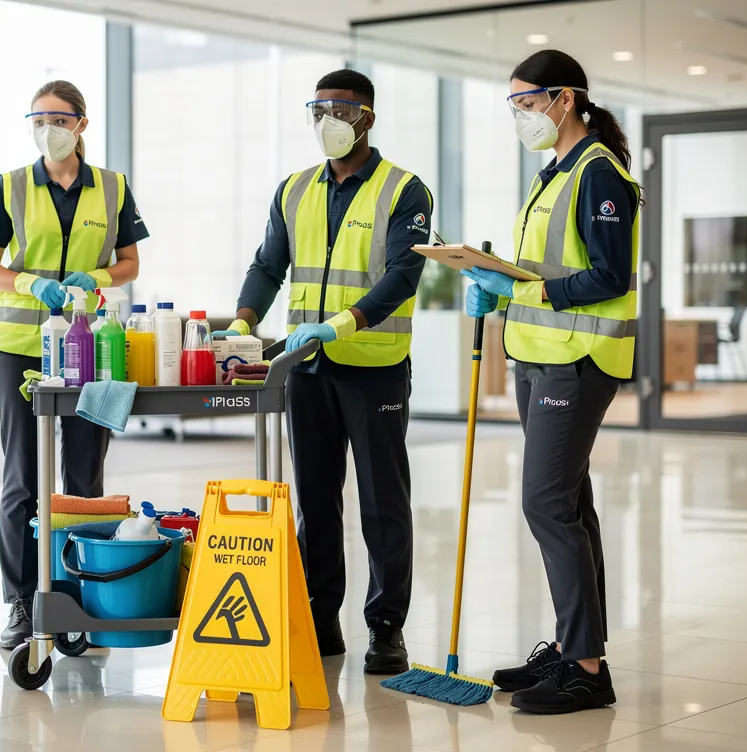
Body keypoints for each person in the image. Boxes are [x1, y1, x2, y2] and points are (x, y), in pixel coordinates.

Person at [213, 69, 433, 675]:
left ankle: (386, 627)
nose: (327, 121)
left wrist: (343, 324)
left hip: (373, 365)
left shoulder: (404, 190)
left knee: (383, 500)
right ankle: (319, 615)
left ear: (367, 115)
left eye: (340, 110)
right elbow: (267, 265)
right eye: (318, 110)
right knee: (314, 497)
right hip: (303, 367)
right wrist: (243, 320)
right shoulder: (294, 189)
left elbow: (401, 276)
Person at [461, 49, 638, 714]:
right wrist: (497, 283)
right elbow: (547, 270)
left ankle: (586, 670)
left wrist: (520, 286)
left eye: (527, 104)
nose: (520, 116)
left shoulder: (598, 172)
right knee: (570, 506)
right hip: (539, 355)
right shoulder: (553, 173)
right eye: (514, 106)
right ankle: (575, 650)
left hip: (577, 360)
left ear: (564, 99)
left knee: (545, 504)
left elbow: (609, 276)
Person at [0, 80, 148, 650]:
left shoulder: (114, 188)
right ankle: (23, 603)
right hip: (23, 347)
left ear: (81, 125)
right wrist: (31, 283)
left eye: (57, 119)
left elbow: (129, 263)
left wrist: (92, 281)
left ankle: (80, 596)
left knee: (84, 480)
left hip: (92, 350)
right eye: (36, 119)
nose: (46, 128)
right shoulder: (10, 187)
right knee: (22, 480)